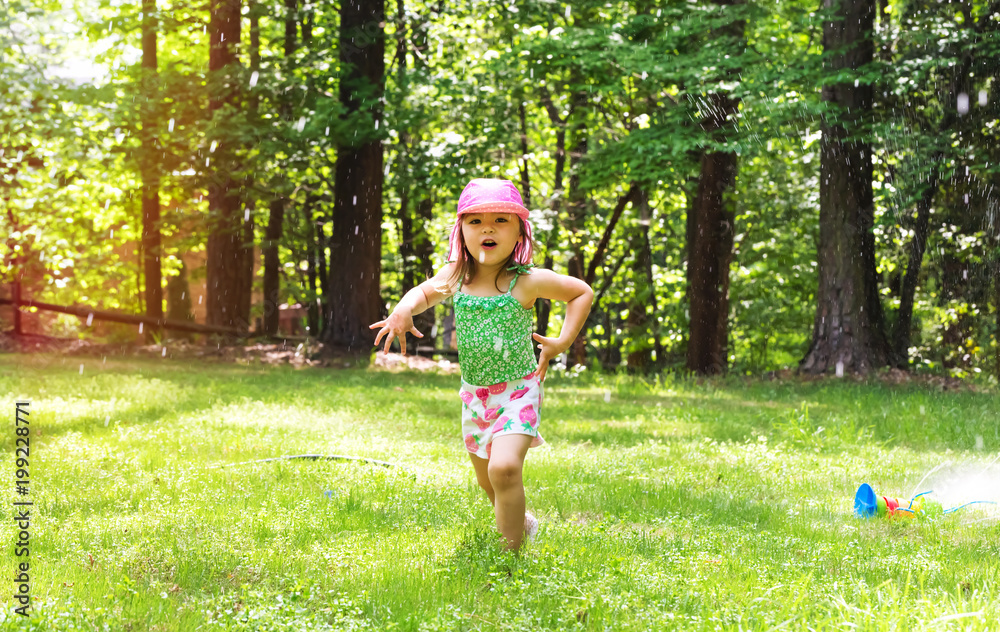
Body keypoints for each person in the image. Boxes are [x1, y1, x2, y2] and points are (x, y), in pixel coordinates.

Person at [370, 178, 594, 550]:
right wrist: (402, 310)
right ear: (462, 232)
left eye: (500, 220)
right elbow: (422, 293)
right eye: (475, 221)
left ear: (520, 231)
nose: (487, 228)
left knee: (504, 468)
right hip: (476, 396)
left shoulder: (525, 281)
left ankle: (508, 558)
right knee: (488, 481)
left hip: (519, 391)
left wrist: (562, 342)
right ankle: (522, 524)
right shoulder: (457, 276)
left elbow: (580, 292)